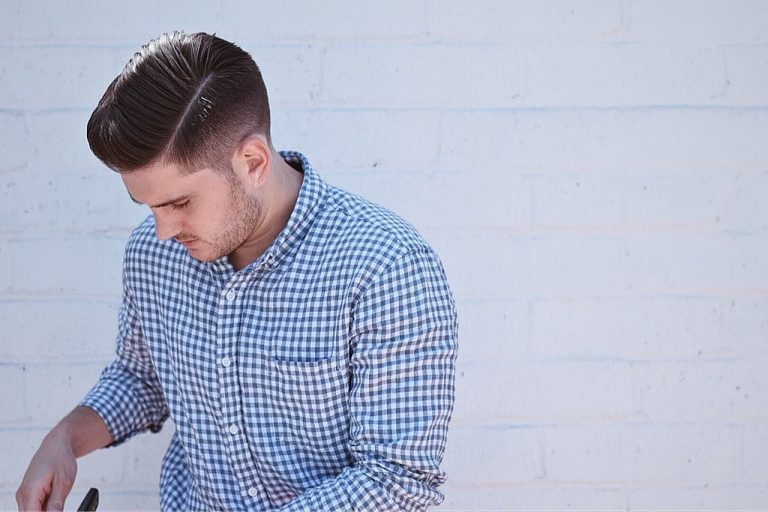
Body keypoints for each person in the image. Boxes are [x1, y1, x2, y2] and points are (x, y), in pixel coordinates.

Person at [16, 31, 458, 511]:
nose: (163, 231)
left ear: (252, 162)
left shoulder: (386, 267)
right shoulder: (152, 253)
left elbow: (395, 481)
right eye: (148, 206)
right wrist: (65, 438)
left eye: (180, 202)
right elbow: (143, 379)